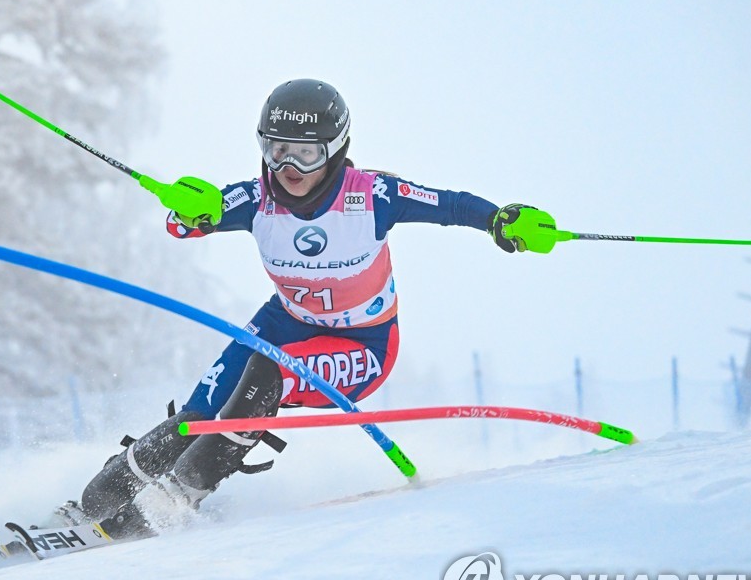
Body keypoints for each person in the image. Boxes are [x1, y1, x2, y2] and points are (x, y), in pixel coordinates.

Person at [66, 79, 543, 538]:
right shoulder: (255, 199)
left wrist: (500, 220)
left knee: (266, 377)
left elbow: (452, 205)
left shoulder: (372, 196)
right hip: (284, 322)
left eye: (306, 152)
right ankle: (95, 503)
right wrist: (192, 209)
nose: (288, 166)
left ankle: (171, 502)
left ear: (335, 149)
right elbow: (183, 226)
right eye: (277, 149)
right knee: (200, 411)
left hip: (364, 343)